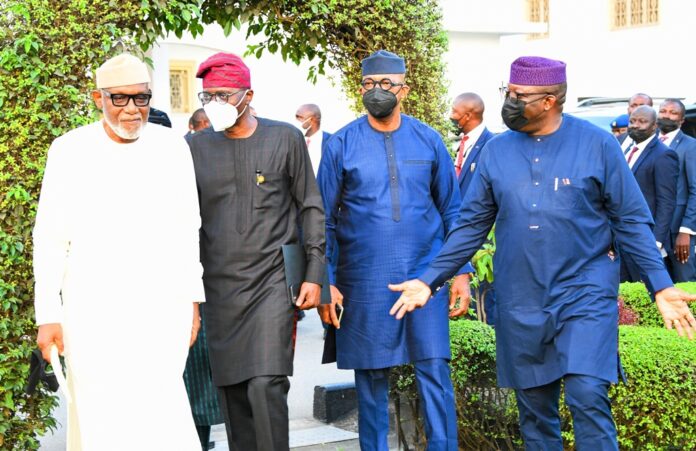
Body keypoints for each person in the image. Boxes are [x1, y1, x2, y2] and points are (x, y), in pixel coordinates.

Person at [388, 56, 696, 450]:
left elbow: (632, 221)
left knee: (587, 397)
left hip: (584, 294)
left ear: (550, 100)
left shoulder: (597, 143)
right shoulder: (497, 152)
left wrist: (661, 286)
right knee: (534, 414)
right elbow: (470, 227)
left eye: (520, 95)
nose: (510, 101)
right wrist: (429, 279)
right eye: (508, 92)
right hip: (521, 299)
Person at [33, 53, 203, 450]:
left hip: (162, 307)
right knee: (102, 415)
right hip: (92, 311)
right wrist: (48, 316)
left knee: (163, 411)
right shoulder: (68, 150)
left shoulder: (172, 147)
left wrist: (193, 300)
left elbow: (187, 227)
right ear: (98, 98)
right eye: (120, 99)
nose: (131, 110)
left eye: (141, 99)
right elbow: (50, 238)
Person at [317, 50, 460, 451]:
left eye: (386, 84)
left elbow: (453, 211)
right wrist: (328, 281)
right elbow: (323, 218)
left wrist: (459, 272)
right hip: (363, 279)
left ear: (404, 90)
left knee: (434, 369)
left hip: (426, 275)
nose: (377, 92)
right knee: (371, 379)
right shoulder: (341, 144)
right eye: (369, 85)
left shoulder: (428, 140)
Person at [188, 52, 325, 451]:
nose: (215, 104)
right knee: (233, 395)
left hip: (272, 284)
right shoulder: (195, 149)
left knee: (266, 384)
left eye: (224, 95)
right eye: (207, 96)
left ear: (249, 95)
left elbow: (311, 207)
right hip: (218, 290)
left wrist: (314, 273)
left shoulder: (285, 138)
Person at [449, 92, 494, 323]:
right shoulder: (462, 144)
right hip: (461, 235)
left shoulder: (491, 145)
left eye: (454, 112)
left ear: (467, 115)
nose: (451, 116)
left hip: (481, 240)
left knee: (483, 306)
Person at [619, 106, 678, 284]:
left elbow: (666, 202)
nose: (635, 125)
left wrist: (657, 241)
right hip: (621, 236)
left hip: (645, 239)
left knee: (646, 291)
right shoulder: (627, 149)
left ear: (654, 126)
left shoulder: (664, 155)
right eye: (632, 121)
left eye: (642, 122)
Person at [659, 98, 696, 282]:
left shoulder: (690, 146)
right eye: (663, 111)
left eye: (673, 113)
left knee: (684, 281)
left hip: (678, 230)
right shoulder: (651, 143)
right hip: (656, 229)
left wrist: (686, 230)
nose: (667, 115)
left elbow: (695, 190)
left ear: (681, 120)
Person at [295, 103, 332, 175]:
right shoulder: (293, 142)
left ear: (312, 119)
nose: (297, 120)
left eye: (299, 117)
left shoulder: (332, 142)